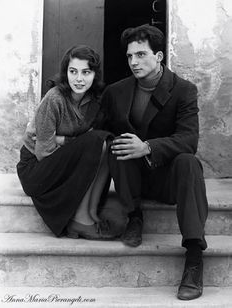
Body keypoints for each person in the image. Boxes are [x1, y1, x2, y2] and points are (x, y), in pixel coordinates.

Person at [101, 24, 208, 300]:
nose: (133, 62)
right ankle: (134, 216)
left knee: (189, 162)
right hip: (131, 178)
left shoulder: (184, 90)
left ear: (159, 56)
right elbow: (96, 128)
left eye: (141, 55)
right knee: (117, 143)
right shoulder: (116, 91)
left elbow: (188, 140)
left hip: (167, 178)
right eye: (129, 56)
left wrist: (147, 147)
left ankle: (194, 256)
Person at [17, 45, 116, 240]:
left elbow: (89, 142)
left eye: (86, 72)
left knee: (107, 144)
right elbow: (43, 153)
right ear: (66, 73)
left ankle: (91, 212)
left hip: (57, 159)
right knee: (95, 142)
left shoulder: (95, 101)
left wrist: (62, 140)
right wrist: (73, 145)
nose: (79, 79)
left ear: (95, 75)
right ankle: (80, 220)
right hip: (36, 169)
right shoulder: (54, 99)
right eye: (73, 71)